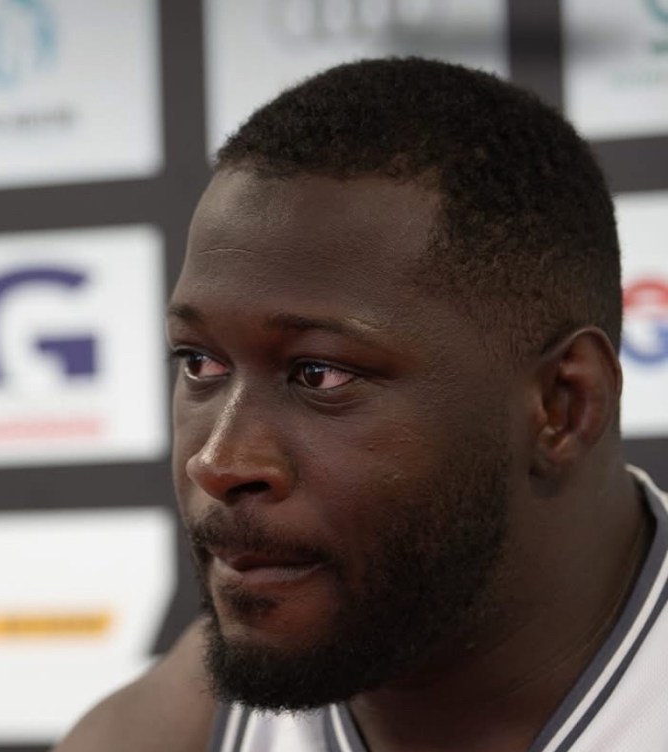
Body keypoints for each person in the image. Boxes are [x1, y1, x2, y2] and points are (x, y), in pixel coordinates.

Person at [54, 57, 668, 752]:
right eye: (201, 363)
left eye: (319, 375)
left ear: (563, 406)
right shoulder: (170, 733)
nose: (218, 462)